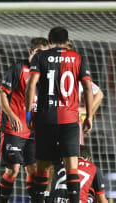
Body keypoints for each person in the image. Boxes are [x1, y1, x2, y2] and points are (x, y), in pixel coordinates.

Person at [25, 26, 94, 203]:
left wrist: (28, 114)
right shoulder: (77, 58)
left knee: (42, 168)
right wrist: (89, 117)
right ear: (67, 41)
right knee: (72, 168)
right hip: (70, 120)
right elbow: (87, 88)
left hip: (45, 119)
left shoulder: (41, 56)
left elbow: (31, 84)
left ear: (49, 41)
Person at [0, 37, 49, 202]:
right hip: (15, 127)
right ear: (31, 52)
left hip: (34, 128)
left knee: (34, 169)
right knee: (13, 169)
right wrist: (12, 116)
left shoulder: (46, 73)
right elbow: (1, 94)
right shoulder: (18, 67)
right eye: (38, 52)